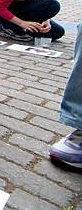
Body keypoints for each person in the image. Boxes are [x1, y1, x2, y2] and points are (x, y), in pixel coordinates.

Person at [49, 24, 82, 169]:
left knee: (57, 29)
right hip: (10, 13)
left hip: (30, 15)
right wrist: (23, 24)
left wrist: (45, 20)